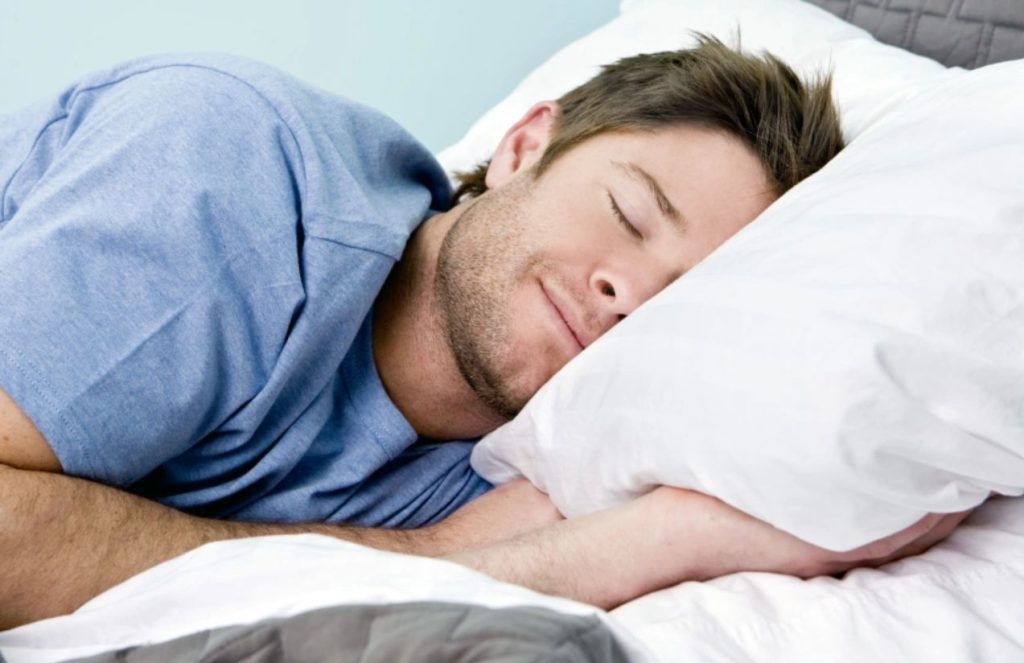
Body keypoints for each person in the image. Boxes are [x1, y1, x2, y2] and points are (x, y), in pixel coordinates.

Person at [0, 36, 964, 630]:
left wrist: (680, 532)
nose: (621, 290)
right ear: (525, 144)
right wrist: (445, 560)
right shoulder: (230, 169)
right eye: (629, 213)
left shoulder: (541, 469)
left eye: (676, 302)